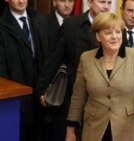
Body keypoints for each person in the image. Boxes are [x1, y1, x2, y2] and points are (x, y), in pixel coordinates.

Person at [65, 12, 134, 141]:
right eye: (108, 33)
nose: (114, 37)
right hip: (95, 130)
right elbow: (78, 97)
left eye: (118, 32)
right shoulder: (86, 58)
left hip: (129, 130)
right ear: (98, 36)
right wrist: (70, 131)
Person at [36, 0, 113, 140]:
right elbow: (55, 58)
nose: (106, 6)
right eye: (102, 2)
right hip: (72, 101)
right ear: (89, 3)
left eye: (109, 2)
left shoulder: (115, 29)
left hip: (102, 105)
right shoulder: (71, 25)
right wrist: (41, 89)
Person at [0, 0, 49, 141]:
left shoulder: (39, 20)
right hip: (16, 102)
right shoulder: (2, 26)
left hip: (41, 101)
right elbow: (1, 71)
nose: (21, 1)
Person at [40, 0, 75, 141]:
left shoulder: (77, 23)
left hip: (70, 93)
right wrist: (42, 89)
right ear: (54, 2)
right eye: (62, 0)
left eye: (70, 1)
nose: (67, 5)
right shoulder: (42, 23)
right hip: (51, 88)